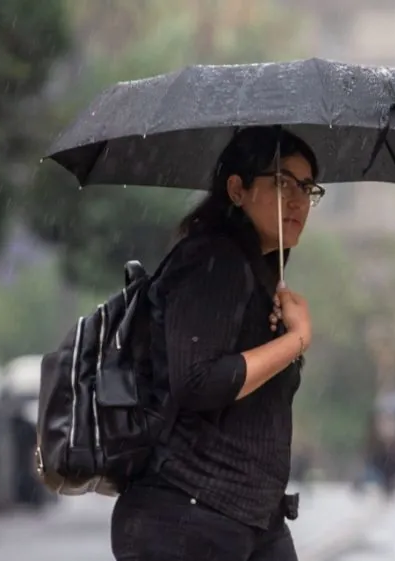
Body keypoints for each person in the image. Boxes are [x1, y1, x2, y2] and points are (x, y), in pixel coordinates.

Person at [110, 126, 326, 561]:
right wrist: (297, 340)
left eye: (307, 187)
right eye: (282, 182)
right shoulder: (213, 260)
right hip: (189, 515)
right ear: (237, 189)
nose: (299, 199)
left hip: (247, 516)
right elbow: (199, 381)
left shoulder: (251, 271)